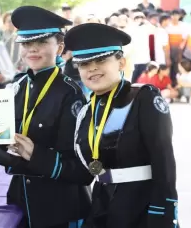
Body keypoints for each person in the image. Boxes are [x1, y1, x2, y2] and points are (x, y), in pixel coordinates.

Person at [14, 23, 179, 228]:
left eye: (101, 60)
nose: (92, 68)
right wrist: (35, 154)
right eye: (83, 64)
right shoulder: (86, 113)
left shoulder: (143, 98)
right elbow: (83, 174)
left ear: (121, 62)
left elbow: (164, 161)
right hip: (102, 207)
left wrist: (163, 211)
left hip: (142, 209)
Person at [0, 6, 91, 228]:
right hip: (21, 199)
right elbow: (4, 143)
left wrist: (34, 154)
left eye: (42, 42)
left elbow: (81, 169)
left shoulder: (71, 94)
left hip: (58, 206)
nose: (32, 49)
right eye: (26, 43)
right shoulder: (17, 87)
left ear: (59, 47)